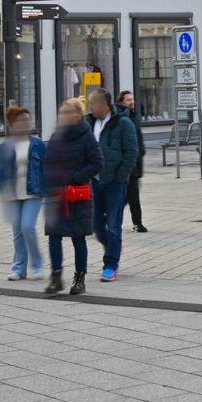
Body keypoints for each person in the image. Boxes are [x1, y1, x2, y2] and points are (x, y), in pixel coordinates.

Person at [41, 98, 101, 297]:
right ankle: (56, 276)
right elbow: (47, 163)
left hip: (78, 195)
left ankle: (80, 278)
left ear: (76, 116)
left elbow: (97, 163)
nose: (62, 117)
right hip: (57, 195)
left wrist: (75, 177)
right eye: (61, 113)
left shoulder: (86, 137)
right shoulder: (56, 137)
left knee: (78, 237)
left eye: (66, 113)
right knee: (54, 236)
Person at [0, 106, 44, 281]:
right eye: (22, 120)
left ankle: (37, 265)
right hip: (12, 195)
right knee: (18, 232)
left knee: (27, 226)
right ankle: (19, 269)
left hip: (33, 193)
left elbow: (48, 168)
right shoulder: (6, 147)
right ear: (13, 125)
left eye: (28, 120)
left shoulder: (38, 144)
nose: (26, 123)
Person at [86, 89, 138, 282]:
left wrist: (120, 176)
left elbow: (132, 151)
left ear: (105, 105)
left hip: (115, 183)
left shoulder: (123, 123)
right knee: (96, 225)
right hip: (94, 181)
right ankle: (113, 247)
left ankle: (110, 265)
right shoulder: (88, 122)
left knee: (114, 225)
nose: (89, 107)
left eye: (92, 103)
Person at [118, 91, 148, 233]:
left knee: (132, 196)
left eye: (132, 99)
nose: (132, 102)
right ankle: (105, 219)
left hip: (135, 163)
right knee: (124, 196)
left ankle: (138, 223)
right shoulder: (120, 117)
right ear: (122, 101)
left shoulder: (134, 115)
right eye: (129, 100)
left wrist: (141, 151)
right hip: (124, 164)